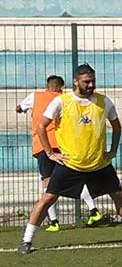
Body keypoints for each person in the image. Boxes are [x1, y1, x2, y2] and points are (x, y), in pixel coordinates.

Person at [17, 64, 122, 254]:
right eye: (86, 81)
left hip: (99, 164)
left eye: (93, 81)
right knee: (48, 198)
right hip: (70, 164)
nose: (91, 85)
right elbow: (41, 126)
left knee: (119, 195)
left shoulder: (103, 102)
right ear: (76, 81)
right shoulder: (61, 102)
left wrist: (112, 150)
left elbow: (116, 126)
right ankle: (26, 240)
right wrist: (50, 153)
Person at [16, 75, 108, 230]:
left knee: (48, 182)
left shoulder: (35, 96)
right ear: (60, 87)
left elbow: (19, 108)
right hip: (65, 144)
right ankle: (93, 211)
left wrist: (21, 109)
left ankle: (53, 221)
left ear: (47, 85)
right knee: (76, 177)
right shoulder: (65, 98)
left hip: (44, 145)